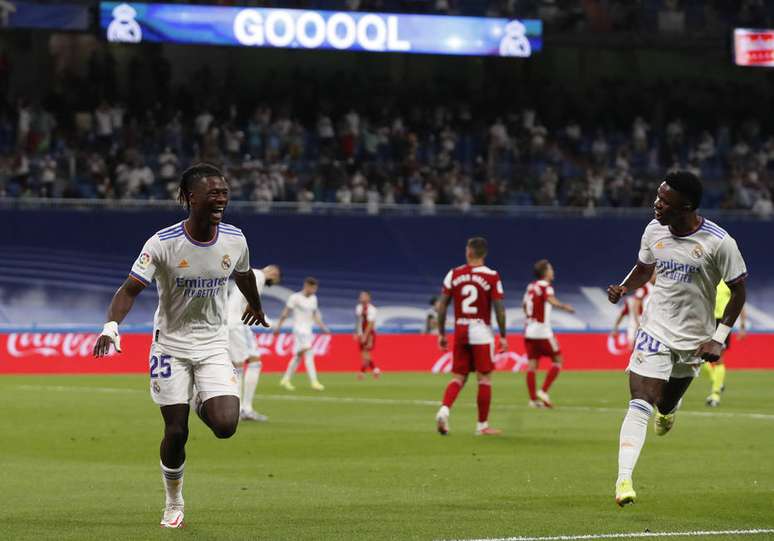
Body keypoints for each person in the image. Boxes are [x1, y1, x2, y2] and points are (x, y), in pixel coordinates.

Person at [93, 163, 268, 528]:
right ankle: (173, 502)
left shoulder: (235, 238)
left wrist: (255, 303)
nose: (221, 198)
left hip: (213, 345)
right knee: (176, 430)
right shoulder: (163, 243)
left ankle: (199, 396)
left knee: (225, 426)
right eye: (213, 192)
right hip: (169, 346)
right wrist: (111, 326)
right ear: (191, 197)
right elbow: (129, 290)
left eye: (224, 191)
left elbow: (243, 273)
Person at [607, 171, 747, 507]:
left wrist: (719, 338)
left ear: (685, 206)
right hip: (654, 329)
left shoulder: (719, 242)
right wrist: (626, 286)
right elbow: (644, 267)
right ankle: (623, 480)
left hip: (694, 340)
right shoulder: (654, 229)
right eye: (658, 195)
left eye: (664, 200)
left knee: (665, 403)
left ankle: (668, 412)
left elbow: (739, 291)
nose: (656, 203)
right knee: (640, 402)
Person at [435, 237, 507, 436]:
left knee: (458, 376)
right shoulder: (492, 276)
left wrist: (441, 333)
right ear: (484, 253)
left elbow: (442, 306)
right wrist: (503, 335)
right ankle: (482, 426)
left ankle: (444, 410)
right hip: (481, 331)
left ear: (469, 252)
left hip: (460, 330)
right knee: (484, 378)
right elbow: (499, 309)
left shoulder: (454, 273)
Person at [226, 264, 281, 421]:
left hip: (228, 322)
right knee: (254, 360)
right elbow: (252, 305)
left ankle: (235, 410)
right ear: (273, 273)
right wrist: (270, 323)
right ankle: (245, 409)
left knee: (237, 366)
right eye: (275, 277)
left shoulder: (249, 274)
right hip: (238, 323)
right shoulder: (258, 276)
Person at [522, 260, 575, 408]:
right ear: (545, 272)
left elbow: (524, 305)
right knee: (558, 360)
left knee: (532, 365)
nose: (553, 271)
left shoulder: (531, 287)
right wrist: (565, 307)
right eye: (551, 269)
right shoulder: (546, 287)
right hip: (543, 331)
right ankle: (543, 391)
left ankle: (533, 400)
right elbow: (550, 300)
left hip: (529, 330)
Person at [275, 277, 330, 391]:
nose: (314, 291)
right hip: (299, 330)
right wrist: (278, 327)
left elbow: (314, 315)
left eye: (315, 289)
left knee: (298, 356)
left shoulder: (314, 299)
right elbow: (285, 312)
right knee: (309, 353)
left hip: (308, 331)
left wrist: (323, 327)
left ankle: (285, 379)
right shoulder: (295, 298)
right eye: (313, 288)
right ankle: (314, 382)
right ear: (306, 286)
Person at [703, 282, 748, 407]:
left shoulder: (730, 280)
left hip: (723, 322)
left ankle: (715, 395)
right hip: (707, 321)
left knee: (719, 359)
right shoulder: (710, 277)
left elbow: (740, 302)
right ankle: (717, 381)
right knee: (698, 357)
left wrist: (743, 325)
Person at [610, 274, 655, 347]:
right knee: (635, 347)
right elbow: (622, 315)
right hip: (637, 326)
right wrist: (615, 328)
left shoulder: (655, 289)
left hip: (649, 325)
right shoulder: (643, 289)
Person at [354, 291, 381, 379]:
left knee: (366, 353)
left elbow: (370, 324)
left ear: (368, 298)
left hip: (369, 334)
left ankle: (362, 372)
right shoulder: (358, 308)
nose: (361, 297)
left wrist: (366, 336)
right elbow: (358, 321)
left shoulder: (372, 309)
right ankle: (375, 370)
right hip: (361, 333)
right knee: (364, 354)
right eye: (361, 296)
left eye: (364, 296)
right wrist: (356, 332)